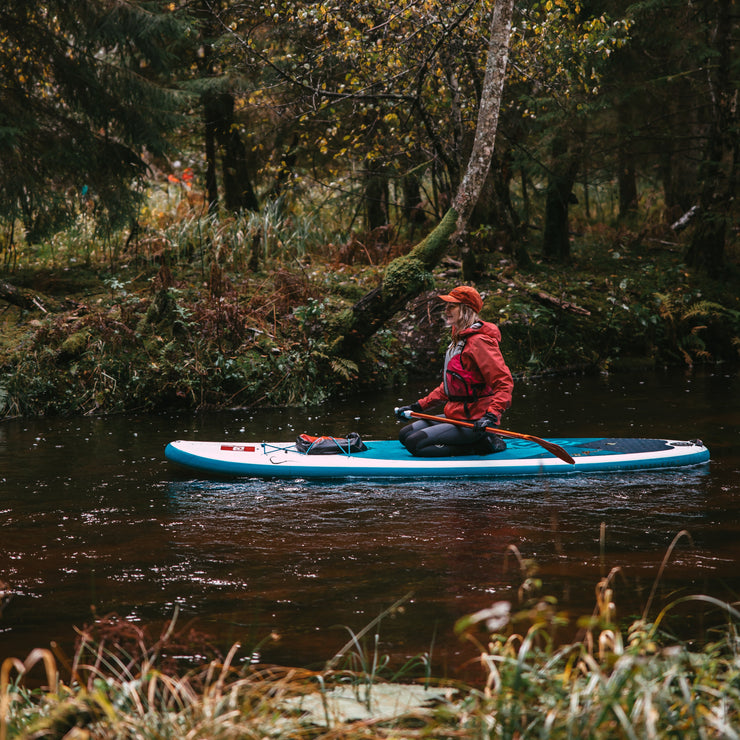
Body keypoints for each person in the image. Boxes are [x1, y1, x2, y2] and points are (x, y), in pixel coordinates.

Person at [395, 285, 513, 457]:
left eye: (452, 306)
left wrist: (491, 416)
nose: (446, 310)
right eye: (447, 305)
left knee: (415, 443)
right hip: (456, 415)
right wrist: (417, 407)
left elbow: (504, 382)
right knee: (404, 435)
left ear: (466, 309)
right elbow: (449, 387)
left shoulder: (479, 342)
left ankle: (483, 444)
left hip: (476, 420)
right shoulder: (458, 339)